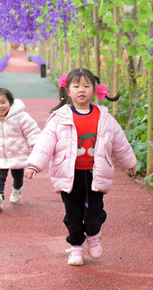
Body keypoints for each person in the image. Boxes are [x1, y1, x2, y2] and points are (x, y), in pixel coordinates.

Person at [25, 68, 137, 266]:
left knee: (95, 214)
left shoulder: (104, 118)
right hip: (69, 175)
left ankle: (93, 234)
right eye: (76, 86)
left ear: (95, 90)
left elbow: (119, 142)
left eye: (86, 86)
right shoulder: (59, 119)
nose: (81, 90)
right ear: (68, 91)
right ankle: (76, 247)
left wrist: (129, 163)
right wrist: (34, 165)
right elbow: (44, 144)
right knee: (73, 214)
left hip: (96, 174)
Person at [0, 87, 42, 211]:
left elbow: (31, 129)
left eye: (3, 102)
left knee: (17, 174)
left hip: (17, 151)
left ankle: (17, 189)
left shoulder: (20, 116)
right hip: (0, 152)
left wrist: (35, 143)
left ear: (10, 102)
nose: (0, 106)